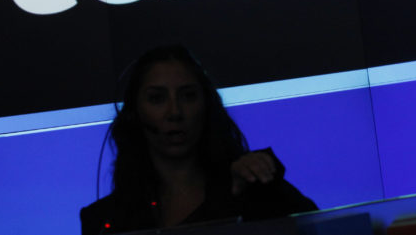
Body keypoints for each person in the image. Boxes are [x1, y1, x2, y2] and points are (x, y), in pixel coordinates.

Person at [80, 45, 317, 234]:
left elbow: (317, 226)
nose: (175, 112)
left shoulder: (249, 187)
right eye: (157, 98)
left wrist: (265, 189)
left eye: (188, 96)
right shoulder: (105, 220)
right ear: (134, 114)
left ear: (206, 105)